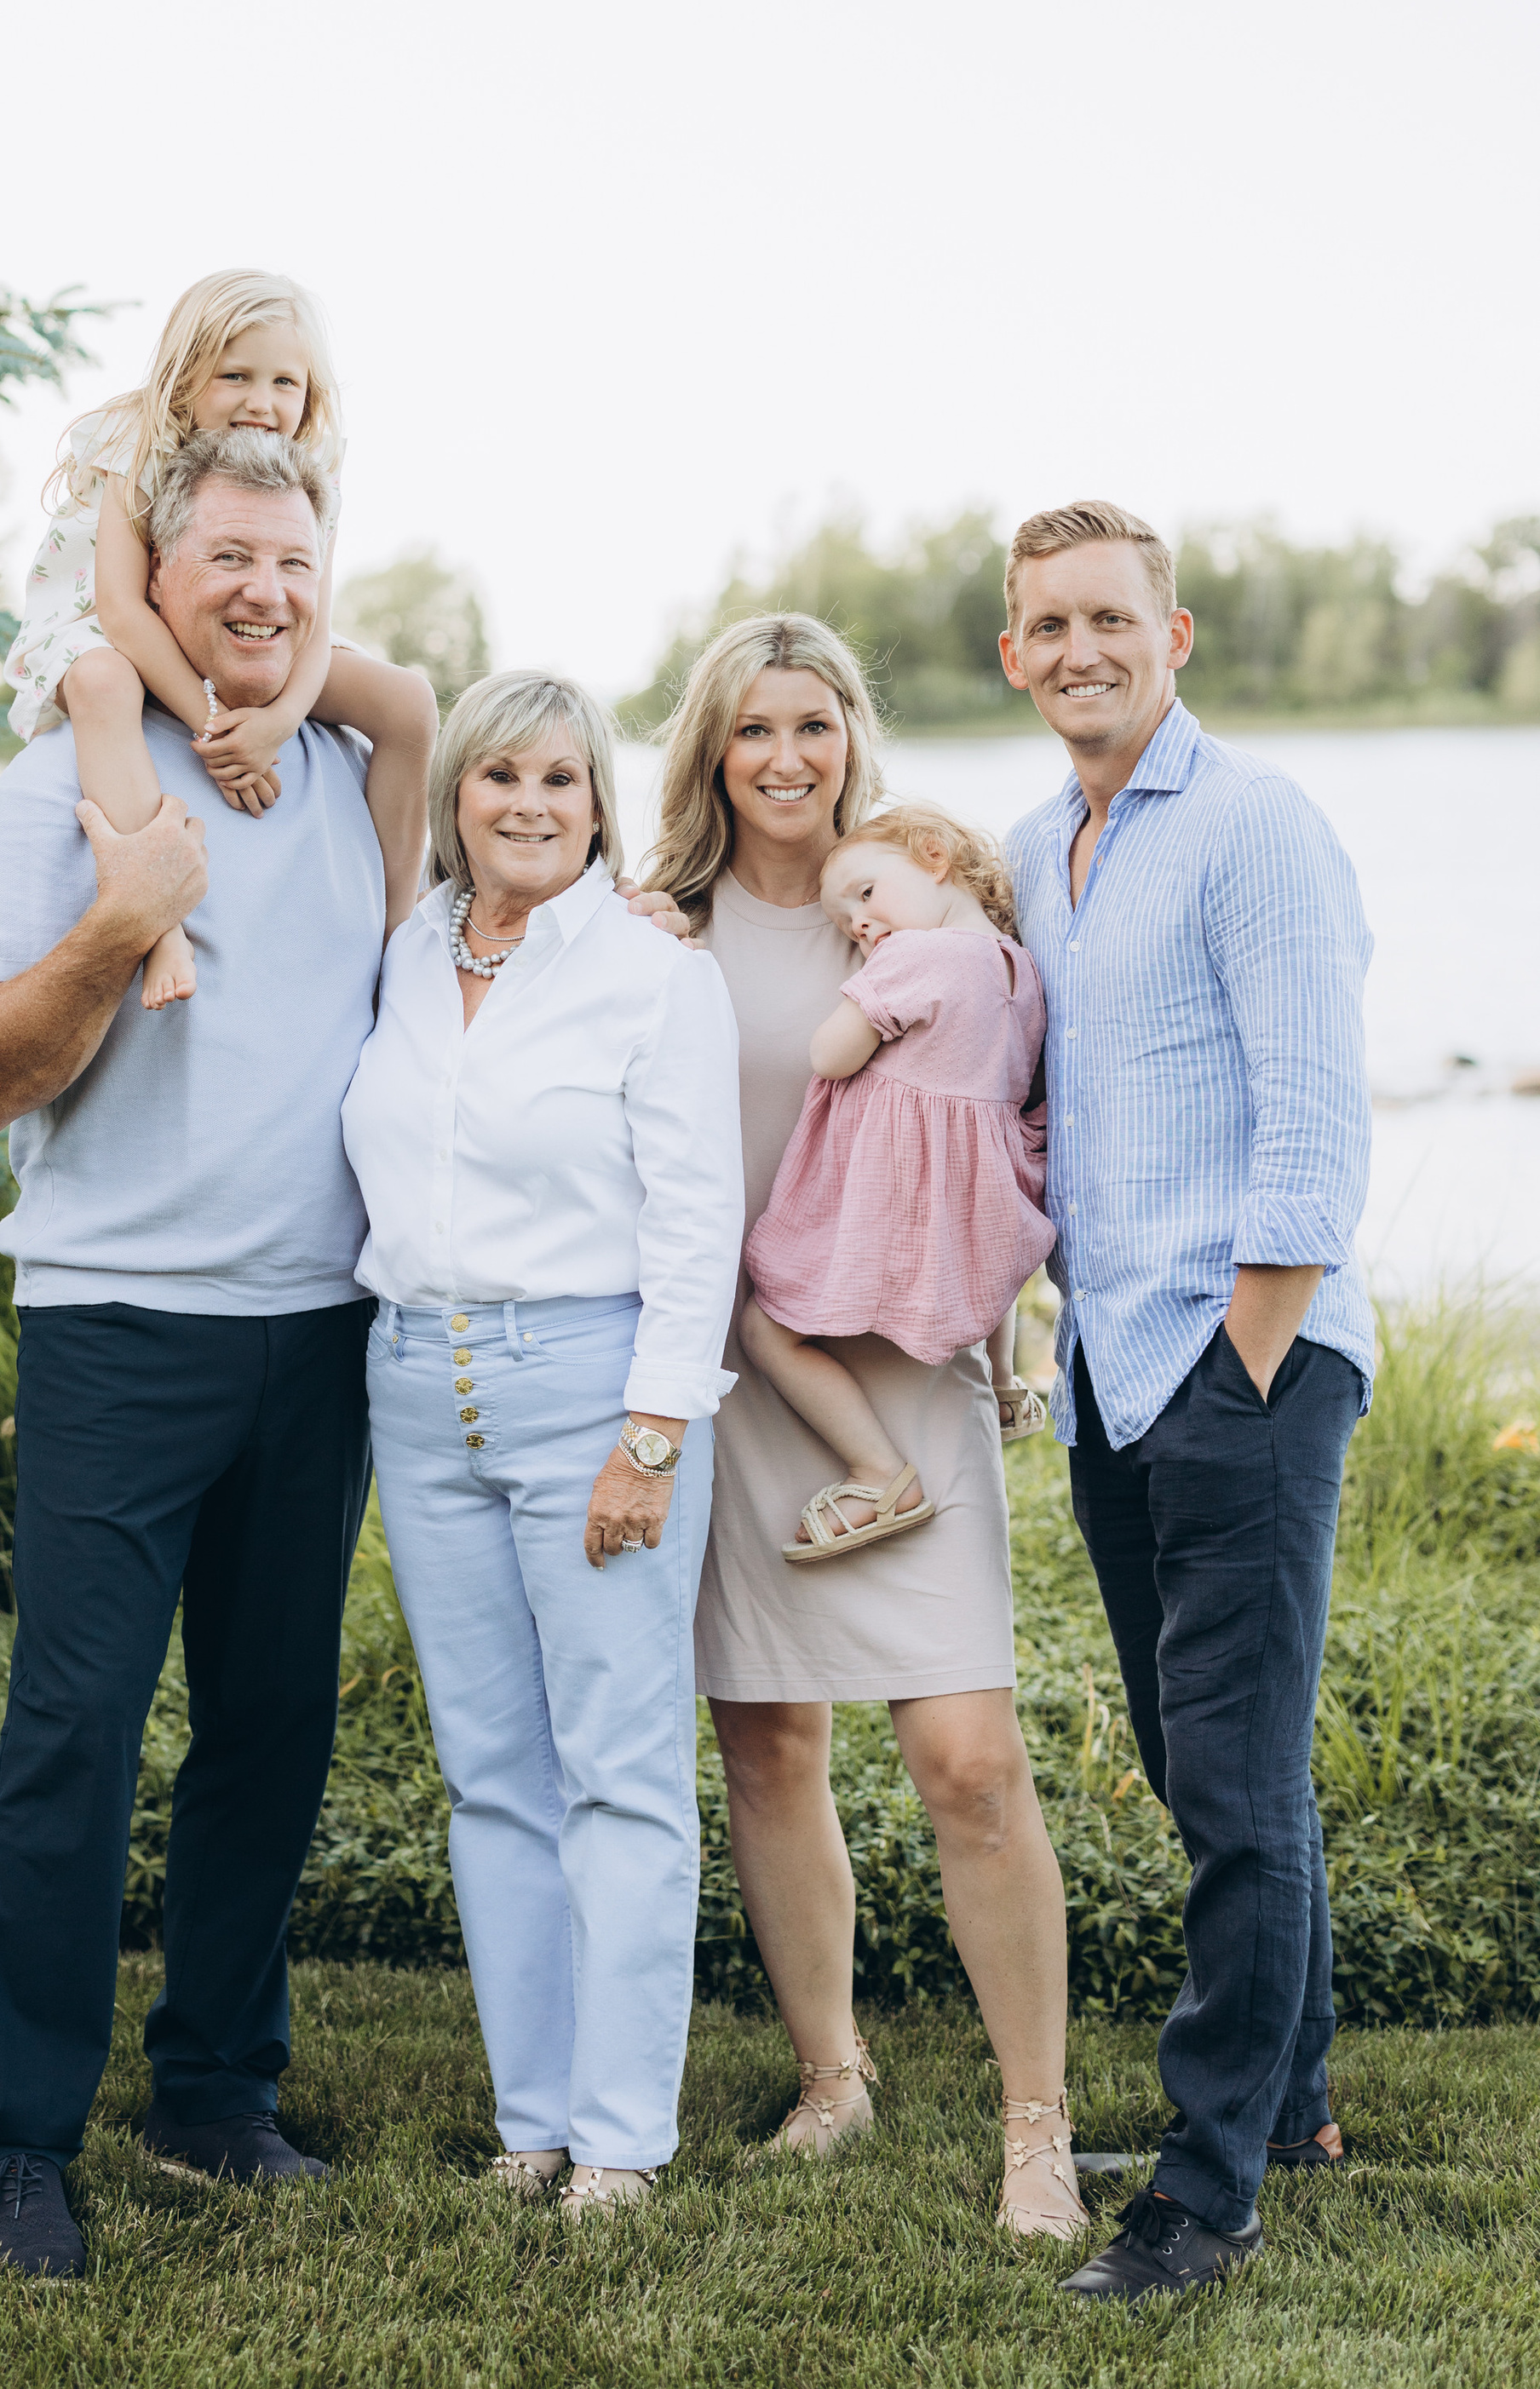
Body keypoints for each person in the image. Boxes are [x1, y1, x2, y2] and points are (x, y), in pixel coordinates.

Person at [0, 427, 393, 2281]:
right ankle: (12, 2141)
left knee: (270, 1735)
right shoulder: (49, 795)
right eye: (226, 563)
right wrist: (120, 932)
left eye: (293, 563)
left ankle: (214, 2090)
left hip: (321, 1330)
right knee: (73, 1738)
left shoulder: (360, 783)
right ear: (155, 572)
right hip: (120, 1329)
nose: (264, 596)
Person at [645, 615, 1083, 2242]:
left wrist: (1031, 1324)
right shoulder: (657, 923)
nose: (785, 758)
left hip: (909, 1352)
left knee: (967, 1756)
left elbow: (1027, 1093)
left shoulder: (917, 907)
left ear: (852, 740)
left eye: (814, 726)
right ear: (711, 747)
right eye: (752, 729)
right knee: (768, 1738)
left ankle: (1034, 2125)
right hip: (742, 1362)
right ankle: (832, 2076)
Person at [998, 502, 1374, 2306]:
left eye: (1107, 619)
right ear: (1011, 653)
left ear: (1176, 632)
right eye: (1045, 623)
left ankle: (1202, 2187)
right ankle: (1290, 2104)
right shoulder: (1031, 848)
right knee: (1197, 1765)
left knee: (1232, 1782)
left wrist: (1241, 1359)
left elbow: (1311, 1119)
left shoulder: (1252, 828)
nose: (1078, 649)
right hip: (1104, 1370)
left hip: (1241, 1369)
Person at [340, 672, 744, 2219]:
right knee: (492, 1775)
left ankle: (624, 2139)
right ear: (455, 796)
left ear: (599, 806)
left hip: (593, 1387)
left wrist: (650, 1438)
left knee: (622, 1772)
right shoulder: (405, 955)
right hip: (416, 1384)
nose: (527, 803)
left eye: (560, 781)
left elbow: (699, 1219)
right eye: (497, 773)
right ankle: (533, 2121)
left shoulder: (650, 974)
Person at [3, 267, 435, 1005]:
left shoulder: (313, 459)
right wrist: (212, 724)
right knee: (103, 684)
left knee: (408, 702)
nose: (262, 404)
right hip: (110, 622)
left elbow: (317, 618)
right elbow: (121, 606)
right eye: (236, 376)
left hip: (247, 626)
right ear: (185, 376)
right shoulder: (134, 438)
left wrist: (278, 720)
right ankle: (157, 917)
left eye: (285, 384)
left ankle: (397, 932)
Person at [738, 805, 1057, 1561]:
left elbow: (831, 1055)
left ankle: (879, 1472)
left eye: (866, 893)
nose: (859, 924)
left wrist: (851, 1000)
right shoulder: (1023, 968)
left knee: (766, 1328)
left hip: (901, 1200)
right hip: (979, 1206)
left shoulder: (920, 958)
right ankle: (1006, 1384)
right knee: (994, 1259)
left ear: (935, 856)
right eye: (846, 919)